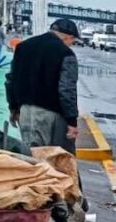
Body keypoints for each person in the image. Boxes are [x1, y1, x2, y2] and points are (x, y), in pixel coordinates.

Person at [6, 18, 80, 155]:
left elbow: (11, 80)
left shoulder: (23, 47)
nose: (71, 45)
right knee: (53, 160)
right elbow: (67, 90)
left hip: (25, 112)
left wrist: (14, 108)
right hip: (51, 116)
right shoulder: (66, 54)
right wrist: (72, 121)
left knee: (30, 156)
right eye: (73, 42)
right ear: (68, 37)